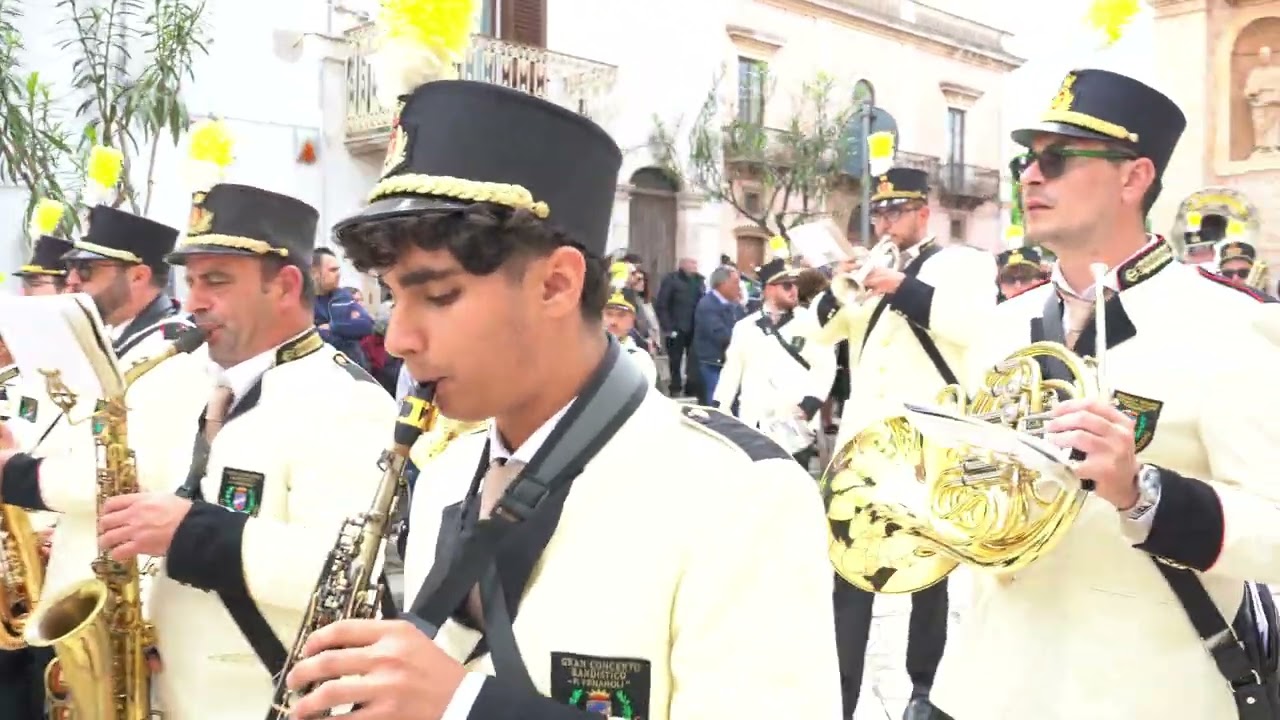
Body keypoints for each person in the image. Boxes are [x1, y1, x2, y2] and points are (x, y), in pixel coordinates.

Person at [275, 76, 841, 720]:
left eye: (437, 296)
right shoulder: (446, 477)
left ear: (556, 284)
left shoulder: (742, 495)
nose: (399, 338)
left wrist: (464, 708)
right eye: (394, 296)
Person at [933, 67, 1280, 720]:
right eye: (1026, 160)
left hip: (1142, 693)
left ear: (1133, 177)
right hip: (989, 684)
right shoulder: (1002, 323)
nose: (1030, 177)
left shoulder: (1233, 325)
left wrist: (1142, 493)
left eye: (1057, 159)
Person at [0, 183, 397, 719]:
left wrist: (188, 532)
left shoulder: (347, 400)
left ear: (283, 285)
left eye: (216, 281)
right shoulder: (196, 384)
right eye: (190, 281)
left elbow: (348, 576)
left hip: (257, 700)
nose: (193, 302)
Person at [819, 166, 996, 720]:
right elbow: (826, 333)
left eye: (897, 212)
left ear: (925, 212)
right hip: (864, 445)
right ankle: (841, 693)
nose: (887, 223)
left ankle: (923, 688)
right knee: (850, 573)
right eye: (880, 214)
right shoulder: (874, 268)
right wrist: (836, 284)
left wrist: (899, 286)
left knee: (929, 575)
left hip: (927, 441)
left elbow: (972, 327)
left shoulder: (961, 264)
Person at [712, 257, 835, 467]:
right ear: (769, 289)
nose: (793, 290)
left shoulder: (810, 323)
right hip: (755, 424)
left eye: (796, 285)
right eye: (786, 285)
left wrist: (811, 402)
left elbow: (825, 366)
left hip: (794, 425)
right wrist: (719, 408)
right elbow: (731, 372)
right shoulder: (745, 327)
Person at [691, 265, 746, 405]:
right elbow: (721, 335)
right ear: (722, 284)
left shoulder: (734, 305)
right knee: (716, 405)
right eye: (735, 282)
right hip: (711, 364)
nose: (739, 287)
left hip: (728, 363)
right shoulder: (707, 305)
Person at [312, 246, 375, 369]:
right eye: (333, 270)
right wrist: (346, 328)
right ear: (315, 272)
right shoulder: (304, 302)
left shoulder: (344, 297)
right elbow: (308, 336)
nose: (338, 274)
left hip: (352, 371)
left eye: (338, 269)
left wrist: (332, 327)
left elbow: (366, 325)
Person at [654, 258, 704, 396]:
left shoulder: (699, 281)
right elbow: (662, 304)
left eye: (695, 264)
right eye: (691, 264)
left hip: (694, 327)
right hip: (676, 327)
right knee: (675, 359)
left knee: (693, 359)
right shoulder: (671, 280)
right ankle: (675, 386)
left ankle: (691, 387)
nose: (694, 267)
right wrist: (667, 326)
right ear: (682, 266)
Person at [603, 290, 658, 386]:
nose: (613, 321)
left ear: (632, 320)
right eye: (609, 314)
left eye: (621, 315)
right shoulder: (585, 354)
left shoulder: (640, 359)